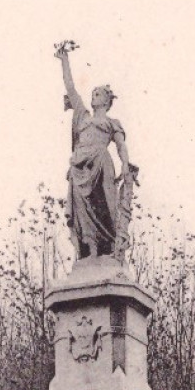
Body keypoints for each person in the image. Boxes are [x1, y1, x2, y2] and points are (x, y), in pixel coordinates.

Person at [55, 42, 134, 259]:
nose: (94, 96)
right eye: (94, 93)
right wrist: (64, 61)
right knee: (82, 210)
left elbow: (121, 145)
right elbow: (70, 87)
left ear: (107, 102)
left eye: (99, 94)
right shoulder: (82, 115)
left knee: (107, 205)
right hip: (80, 166)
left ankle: (109, 247)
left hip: (101, 162)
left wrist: (125, 165)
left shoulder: (111, 122)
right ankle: (90, 250)